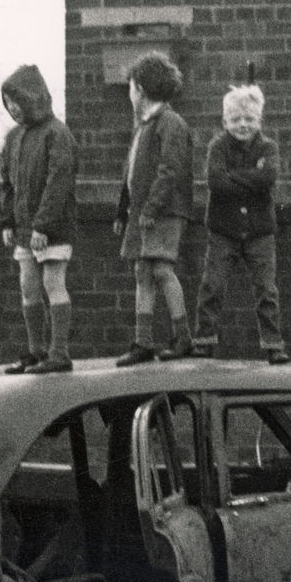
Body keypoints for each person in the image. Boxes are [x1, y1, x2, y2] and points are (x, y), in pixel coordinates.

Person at [190, 84, 288, 364]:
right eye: (235, 120)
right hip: (224, 230)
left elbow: (267, 178)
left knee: (266, 290)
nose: (242, 125)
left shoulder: (268, 147)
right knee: (213, 285)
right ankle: (204, 340)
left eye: (249, 119)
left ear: (259, 121)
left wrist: (234, 177)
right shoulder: (217, 147)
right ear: (224, 122)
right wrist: (250, 178)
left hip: (259, 232)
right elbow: (216, 182)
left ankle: (273, 344)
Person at [114, 52, 194, 365]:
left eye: (131, 86)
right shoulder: (144, 125)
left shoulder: (170, 123)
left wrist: (150, 208)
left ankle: (183, 337)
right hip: (144, 212)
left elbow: (170, 170)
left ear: (142, 90)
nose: (129, 93)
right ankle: (143, 343)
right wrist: (124, 210)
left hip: (163, 211)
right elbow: (130, 172)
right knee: (142, 271)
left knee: (161, 269)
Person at [0, 64, 77, 375]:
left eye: (17, 101)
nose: (13, 109)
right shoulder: (14, 139)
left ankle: (59, 353)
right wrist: (8, 221)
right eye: (8, 103)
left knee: (53, 282)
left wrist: (42, 226)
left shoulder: (58, 134)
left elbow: (59, 183)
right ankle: (36, 351)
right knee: (28, 286)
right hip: (24, 230)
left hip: (52, 229)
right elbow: (8, 183)